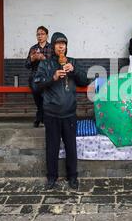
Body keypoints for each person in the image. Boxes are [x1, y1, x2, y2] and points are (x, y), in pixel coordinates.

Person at [34, 32, 90, 190]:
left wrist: (74, 71)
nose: (61, 46)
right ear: (53, 46)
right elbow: (36, 85)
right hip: (51, 113)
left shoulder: (72, 62)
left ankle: (72, 176)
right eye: (58, 43)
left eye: (63, 43)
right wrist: (53, 78)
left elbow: (85, 81)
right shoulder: (45, 65)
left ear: (66, 46)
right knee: (52, 147)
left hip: (69, 114)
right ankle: (51, 177)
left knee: (71, 146)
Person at [25, 26, 52, 128]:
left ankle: (39, 117)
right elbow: (26, 65)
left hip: (47, 75)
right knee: (37, 92)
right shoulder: (33, 48)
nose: (40, 36)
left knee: (45, 95)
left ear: (47, 36)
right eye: (38, 34)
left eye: (42, 34)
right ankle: (42, 116)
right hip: (35, 76)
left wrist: (44, 58)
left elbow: (53, 64)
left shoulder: (51, 48)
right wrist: (32, 59)